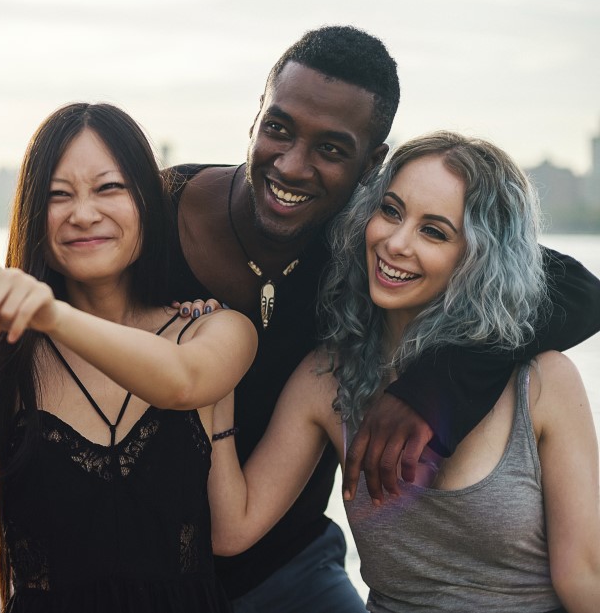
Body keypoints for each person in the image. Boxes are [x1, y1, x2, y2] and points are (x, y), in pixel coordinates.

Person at [0, 26, 600, 611]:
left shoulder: (364, 246)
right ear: (256, 115)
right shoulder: (150, 217)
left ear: (370, 164)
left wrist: (435, 385)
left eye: (331, 149)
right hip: (142, 569)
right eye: (279, 128)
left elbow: (567, 286)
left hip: (289, 569)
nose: (293, 164)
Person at [207, 132, 600, 612]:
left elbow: (584, 576)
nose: (395, 243)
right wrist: (214, 384)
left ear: (479, 258)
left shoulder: (543, 381)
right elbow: (233, 529)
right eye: (391, 211)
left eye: (434, 231)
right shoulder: (327, 377)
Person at [0, 103, 258, 612]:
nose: (83, 213)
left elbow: (183, 383)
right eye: (59, 195)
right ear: (35, 212)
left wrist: (46, 312)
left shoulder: (213, 330)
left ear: (147, 199)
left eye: (109, 188)